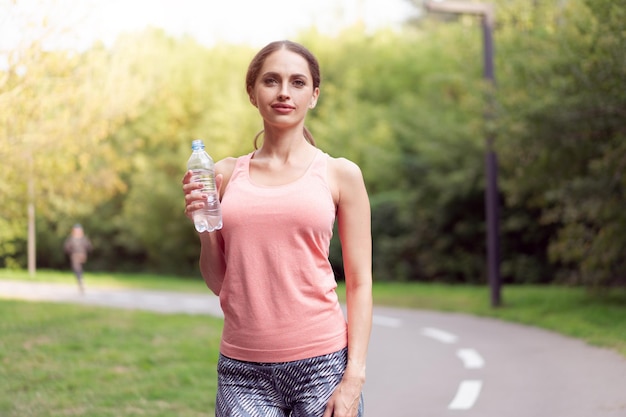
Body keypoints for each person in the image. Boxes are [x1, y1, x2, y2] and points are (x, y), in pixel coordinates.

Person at [182, 40, 372, 417]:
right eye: (271, 80)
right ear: (253, 93)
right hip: (242, 371)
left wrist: (354, 378)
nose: (284, 92)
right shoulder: (221, 174)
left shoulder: (340, 174)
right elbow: (224, 283)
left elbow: (360, 281)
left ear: (314, 95)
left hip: (324, 365)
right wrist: (204, 228)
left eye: (297, 82)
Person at [63, 224, 92, 294]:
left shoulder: (76, 238)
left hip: (77, 255)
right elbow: (89, 247)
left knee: (77, 268)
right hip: (80, 255)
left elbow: (66, 248)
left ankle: (80, 280)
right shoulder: (82, 238)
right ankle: (81, 280)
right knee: (78, 268)